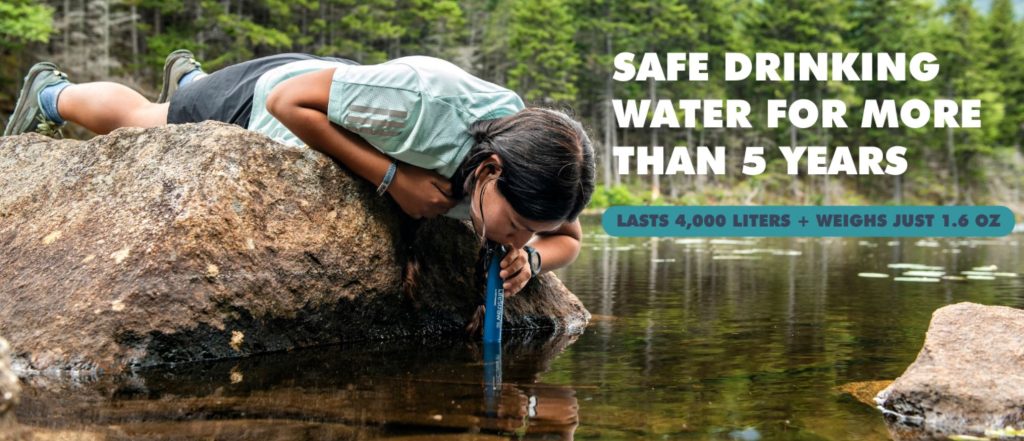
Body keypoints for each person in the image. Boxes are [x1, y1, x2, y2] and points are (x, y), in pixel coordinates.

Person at [3, 50, 595, 299]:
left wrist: (534, 260)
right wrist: (394, 178)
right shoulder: (425, 102)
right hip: (269, 96)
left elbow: (567, 238)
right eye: (515, 226)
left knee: (179, 103)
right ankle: (52, 95)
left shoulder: (542, 166)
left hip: (343, 95)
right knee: (146, 121)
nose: (516, 238)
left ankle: (190, 80)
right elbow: (290, 102)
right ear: (489, 170)